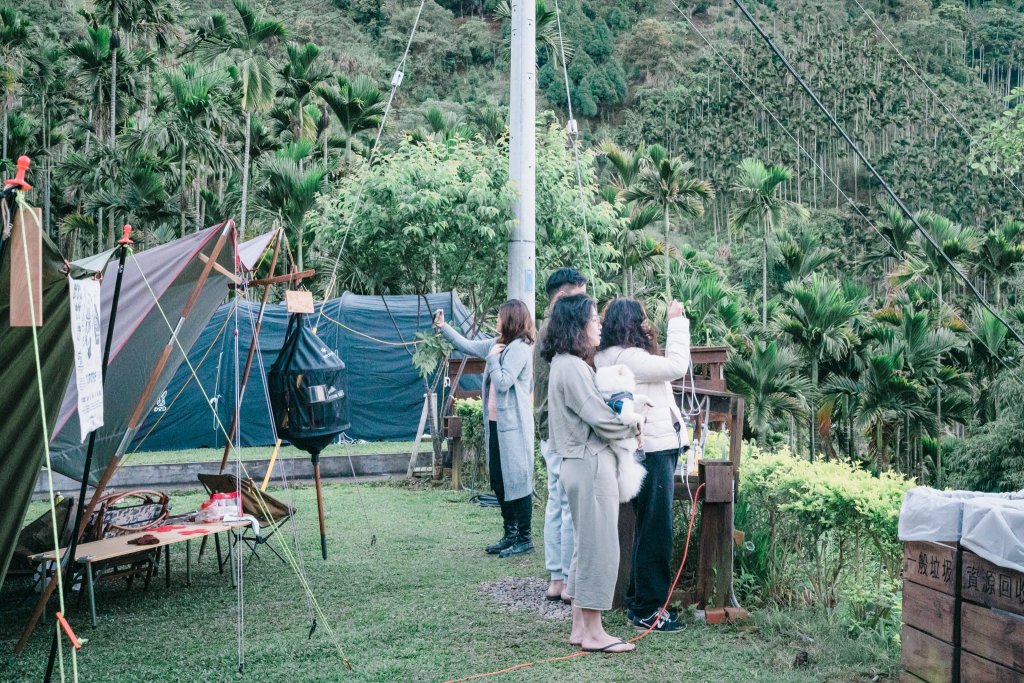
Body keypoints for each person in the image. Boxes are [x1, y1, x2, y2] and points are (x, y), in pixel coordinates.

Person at [542, 294, 642, 654]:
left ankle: (580, 627)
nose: (599, 324)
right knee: (600, 548)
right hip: (589, 463)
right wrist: (632, 430)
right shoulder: (571, 366)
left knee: (585, 547)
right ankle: (596, 632)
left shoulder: (564, 364)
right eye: (593, 319)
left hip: (577, 464)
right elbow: (598, 417)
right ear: (576, 326)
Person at [594, 298, 691, 633]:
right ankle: (649, 608)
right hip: (652, 448)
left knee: (646, 528)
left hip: (639, 447)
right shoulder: (630, 357)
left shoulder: (607, 355)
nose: (650, 324)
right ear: (633, 323)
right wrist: (678, 322)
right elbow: (678, 366)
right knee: (656, 531)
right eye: (645, 319)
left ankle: (639, 601)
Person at [434, 300, 536, 558]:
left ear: (512, 320)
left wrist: (492, 359)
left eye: (501, 317)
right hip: (495, 424)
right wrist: (443, 327)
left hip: (513, 426)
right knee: (500, 480)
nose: (497, 320)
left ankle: (525, 537)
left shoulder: (519, 348)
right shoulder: (498, 344)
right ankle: (510, 533)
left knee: (518, 480)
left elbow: (503, 383)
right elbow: (467, 345)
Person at [535, 268, 588, 602]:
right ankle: (568, 579)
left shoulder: (544, 329)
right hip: (559, 428)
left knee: (556, 501)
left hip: (545, 426)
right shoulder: (558, 330)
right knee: (568, 505)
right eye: (580, 297)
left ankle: (557, 576)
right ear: (563, 297)